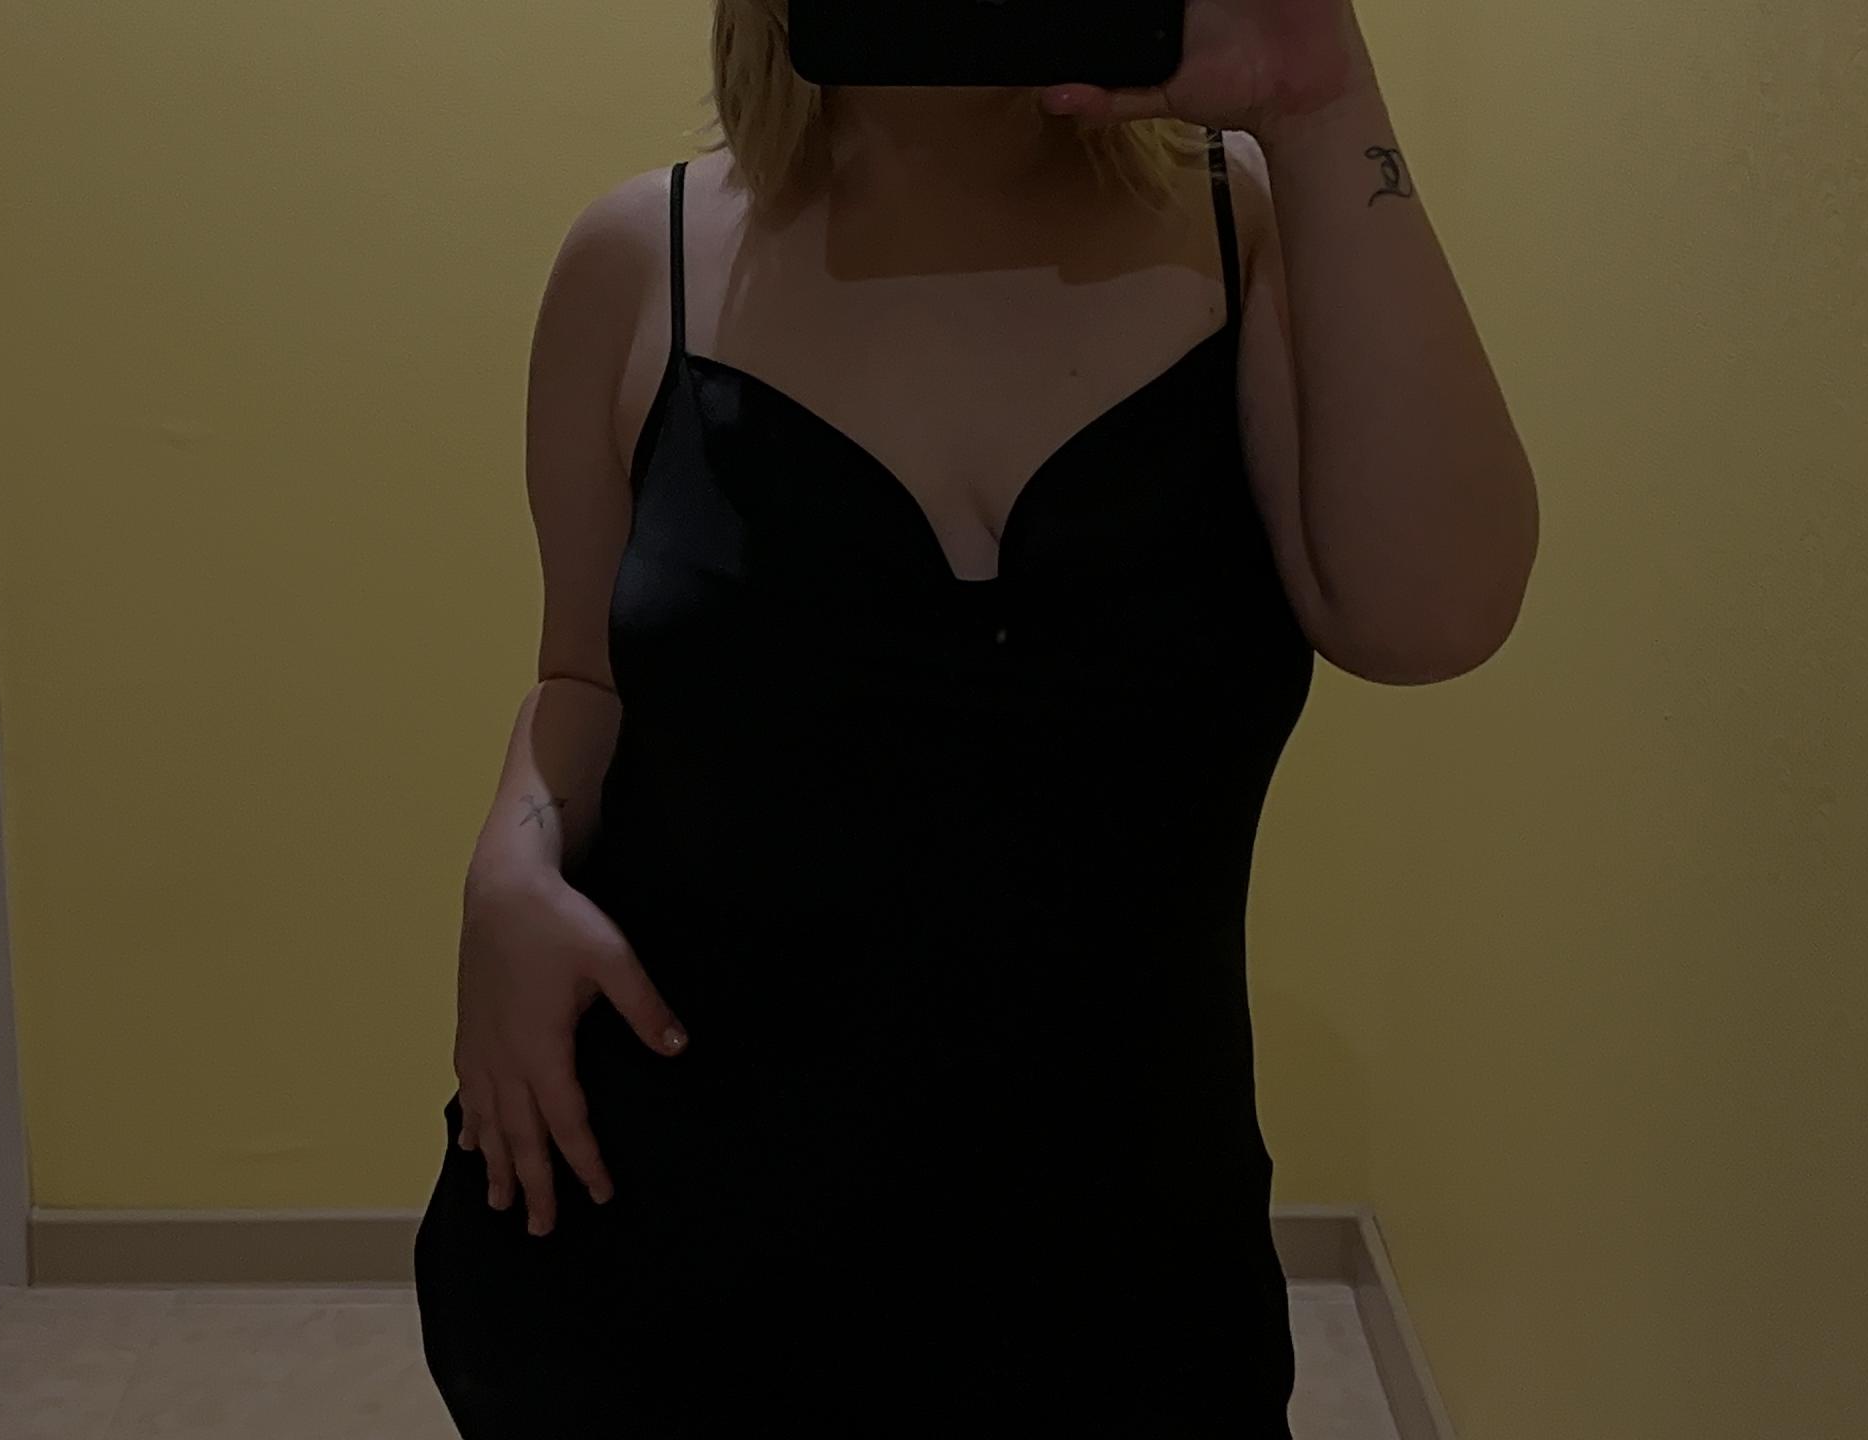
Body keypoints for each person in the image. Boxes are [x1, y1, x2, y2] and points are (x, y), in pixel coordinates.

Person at [414, 0, 1537, 1433]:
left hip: (1119, 1272)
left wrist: (1325, 101)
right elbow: (583, 677)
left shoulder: (1248, 229)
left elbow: (1435, 617)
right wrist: (509, 860)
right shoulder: (640, 260)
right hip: (668, 1247)